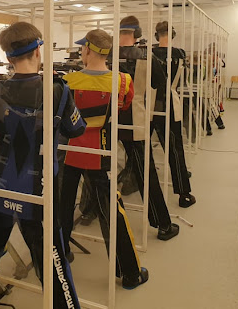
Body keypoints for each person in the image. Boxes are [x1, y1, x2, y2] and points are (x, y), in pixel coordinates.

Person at [0, 22, 86, 309]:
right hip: (40, 189)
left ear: (8, 57)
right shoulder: (58, 90)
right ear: (38, 51)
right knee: (53, 261)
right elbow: (77, 129)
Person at [60, 29, 149, 289]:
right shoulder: (122, 81)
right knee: (111, 212)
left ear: (87, 50)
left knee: (63, 206)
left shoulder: (67, 81)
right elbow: (123, 107)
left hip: (70, 151)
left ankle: (61, 255)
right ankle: (129, 273)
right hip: (101, 151)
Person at [116, 15, 179, 240]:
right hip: (134, 119)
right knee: (146, 173)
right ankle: (163, 224)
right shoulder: (146, 56)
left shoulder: (108, 54)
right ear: (138, 34)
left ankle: (89, 211)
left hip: (109, 120)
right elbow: (159, 83)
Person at [152, 21, 196, 208]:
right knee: (175, 149)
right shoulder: (180, 54)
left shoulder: (150, 53)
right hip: (169, 102)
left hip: (149, 103)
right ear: (172, 35)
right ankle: (184, 193)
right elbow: (183, 81)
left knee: (142, 148)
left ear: (157, 35)